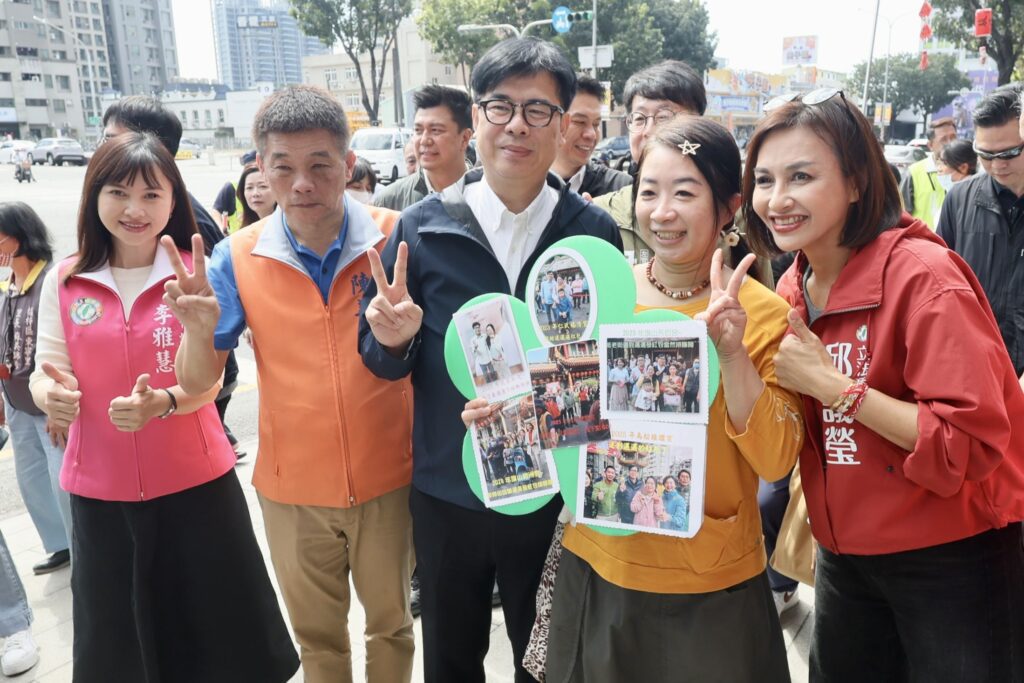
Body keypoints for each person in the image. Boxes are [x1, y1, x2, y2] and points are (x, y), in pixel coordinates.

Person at [359, 37, 621, 683]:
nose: (517, 126)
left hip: (553, 496)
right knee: (451, 656)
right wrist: (393, 340)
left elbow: (609, 364)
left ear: (562, 124)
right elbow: (381, 358)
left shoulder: (592, 233)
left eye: (538, 110)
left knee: (550, 658)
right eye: (500, 106)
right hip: (449, 487)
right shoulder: (420, 228)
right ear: (476, 117)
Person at [745, 87, 1024, 681]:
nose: (777, 198)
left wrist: (838, 389)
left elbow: (969, 443)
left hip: (950, 558)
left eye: (801, 176)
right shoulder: (791, 288)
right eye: (764, 180)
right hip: (842, 558)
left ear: (855, 182)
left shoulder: (924, 279)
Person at [164, 86, 415, 683]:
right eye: (283, 167)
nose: (302, 184)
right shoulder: (237, 257)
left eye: (320, 165)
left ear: (348, 165)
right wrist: (197, 332)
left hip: (390, 477)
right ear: (261, 168)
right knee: (318, 641)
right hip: (291, 488)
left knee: (393, 627)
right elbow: (198, 384)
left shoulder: (398, 236)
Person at [29, 132, 299, 682]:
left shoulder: (193, 274)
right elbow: (45, 369)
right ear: (94, 196)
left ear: (173, 200)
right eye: (118, 193)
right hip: (101, 493)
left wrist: (168, 395)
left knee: (217, 642)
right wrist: (51, 396)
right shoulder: (67, 279)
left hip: (195, 486)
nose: (135, 209)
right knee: (120, 647)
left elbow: (208, 381)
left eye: (151, 195)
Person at [547, 116, 803, 682]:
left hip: (711, 578)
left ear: (728, 206)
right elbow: (567, 420)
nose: (662, 213)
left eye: (684, 193)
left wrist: (732, 355)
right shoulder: (601, 297)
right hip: (601, 560)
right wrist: (514, 413)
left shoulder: (765, 315)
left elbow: (777, 459)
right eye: (649, 192)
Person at [101, 95, 245, 459]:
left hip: (201, 375)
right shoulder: (87, 257)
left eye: (112, 141)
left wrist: (171, 396)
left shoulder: (187, 227)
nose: (101, 153)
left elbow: (211, 349)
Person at [0, 204, 72, 575]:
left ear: (20, 236)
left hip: (48, 404)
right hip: (16, 401)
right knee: (31, 480)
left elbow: (67, 349)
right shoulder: (8, 284)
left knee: (63, 481)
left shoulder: (52, 281)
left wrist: (58, 409)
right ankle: (59, 543)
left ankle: (83, 545)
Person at [937, 84, 1024, 384]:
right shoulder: (959, 199)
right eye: (986, 154)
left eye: (1010, 153)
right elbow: (938, 286)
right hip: (973, 370)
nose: (997, 165)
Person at [592, 60, 707, 262]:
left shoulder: (733, 215)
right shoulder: (600, 214)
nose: (649, 131)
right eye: (639, 118)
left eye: (664, 117)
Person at [375, 85, 474, 211]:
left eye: (436, 130)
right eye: (418, 130)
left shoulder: (490, 194)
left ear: (465, 138)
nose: (424, 140)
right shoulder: (389, 202)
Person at [550, 76, 631, 197]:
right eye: (580, 122)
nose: (591, 134)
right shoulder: (525, 185)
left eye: (596, 124)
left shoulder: (620, 189)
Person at [899, 116, 956, 229]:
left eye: (953, 137)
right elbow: (902, 217)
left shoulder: (967, 172)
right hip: (924, 238)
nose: (950, 143)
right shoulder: (914, 172)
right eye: (943, 140)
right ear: (930, 145)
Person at [212, 150, 258, 233]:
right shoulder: (231, 188)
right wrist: (221, 229)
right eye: (249, 168)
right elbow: (216, 211)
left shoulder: (272, 187)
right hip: (236, 239)